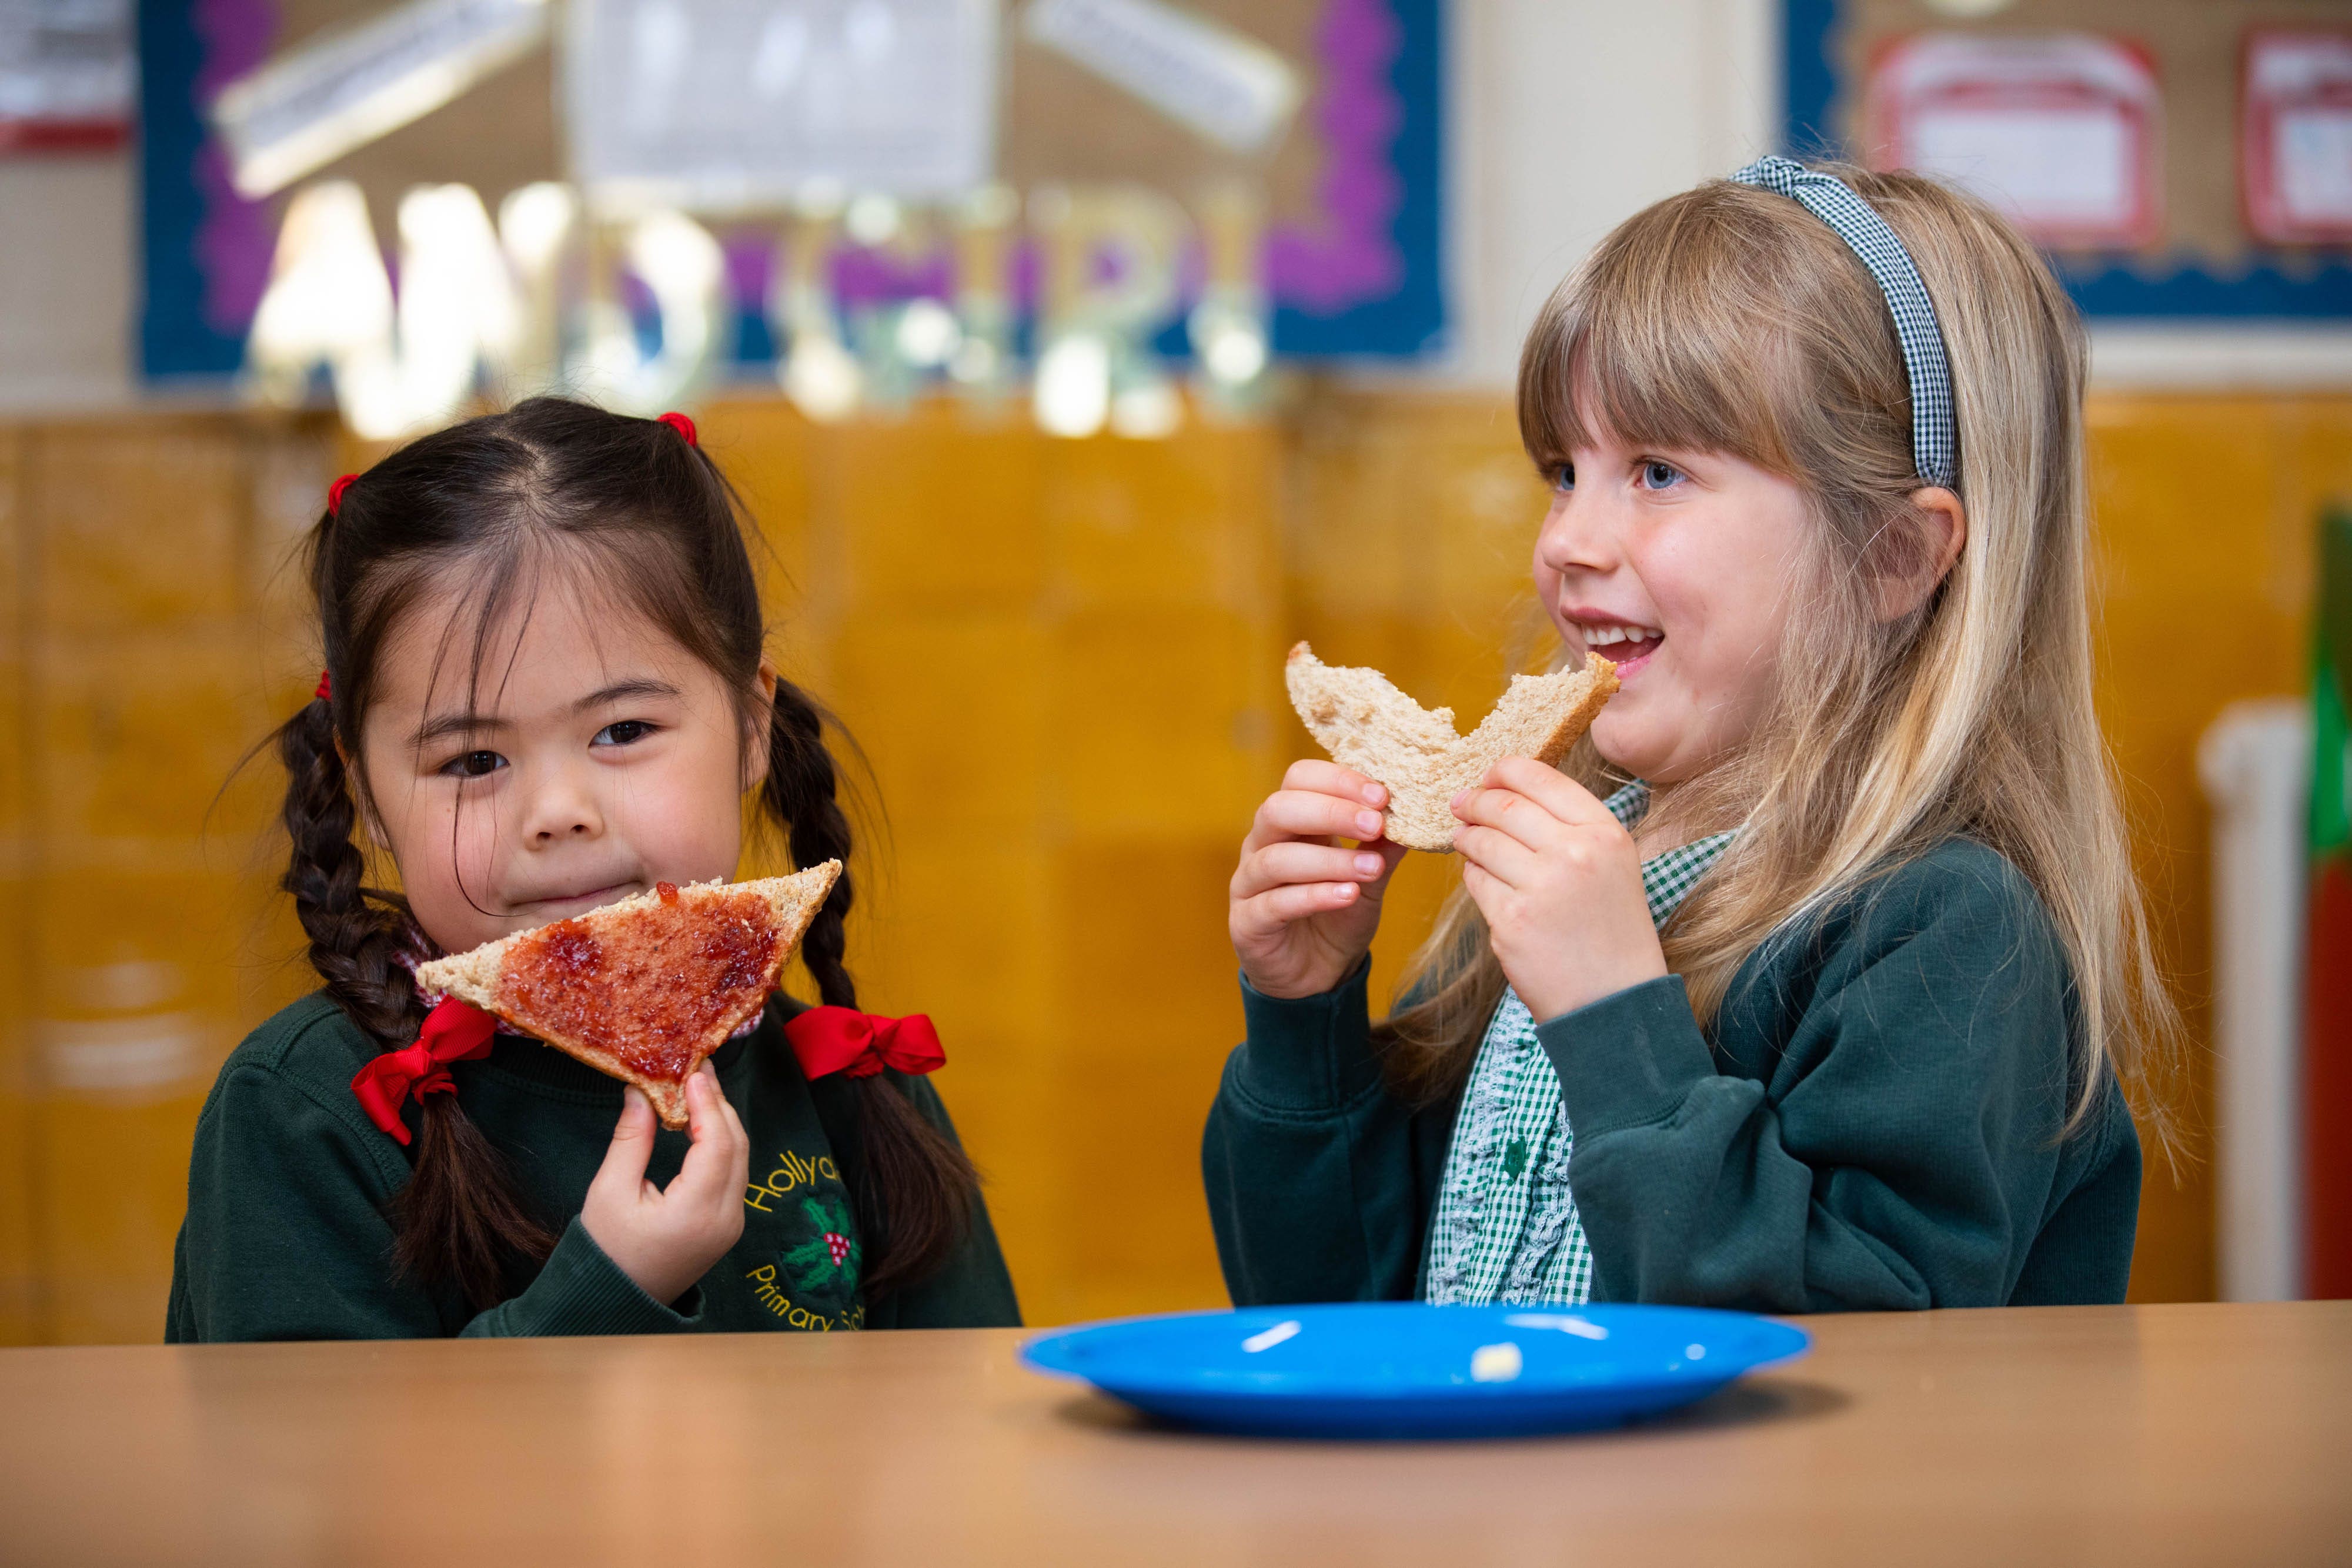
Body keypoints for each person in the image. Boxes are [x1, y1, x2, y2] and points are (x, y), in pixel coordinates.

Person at [1207, 159, 2169, 1312]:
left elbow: (1858, 1370)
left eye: (1657, 472)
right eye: (1563, 471)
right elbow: (1335, 1311)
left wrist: (1618, 1018)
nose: (1566, 539)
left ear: (1890, 558)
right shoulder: (1546, 879)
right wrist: (1305, 1018)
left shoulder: (1941, 929)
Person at [169, 399, 1017, 1339]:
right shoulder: (304, 1115)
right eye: (473, 762)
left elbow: (965, 1446)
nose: (558, 813)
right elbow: (312, 1481)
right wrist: (607, 1291)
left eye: (623, 731)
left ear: (749, 727)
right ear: (365, 794)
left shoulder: (863, 1089)